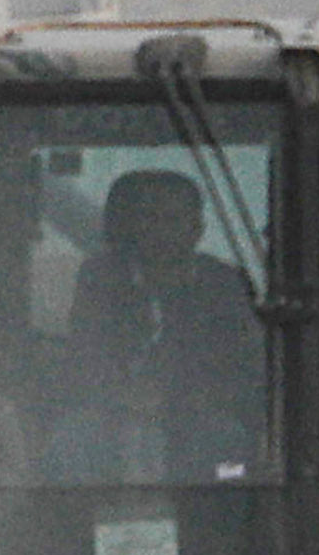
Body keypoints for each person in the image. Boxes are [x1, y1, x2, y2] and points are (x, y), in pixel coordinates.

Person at [71, 167, 272, 485]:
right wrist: (120, 396)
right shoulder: (100, 279)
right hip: (113, 413)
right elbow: (86, 351)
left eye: (172, 220)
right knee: (69, 445)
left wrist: (177, 398)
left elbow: (242, 362)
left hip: (198, 415)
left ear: (197, 229)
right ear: (133, 225)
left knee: (229, 446)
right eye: (150, 218)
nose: (160, 232)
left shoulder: (224, 285)